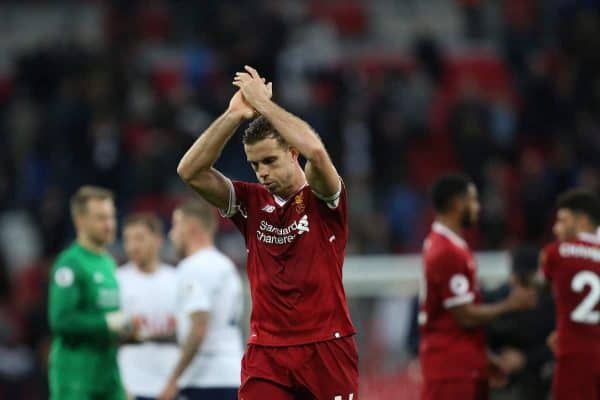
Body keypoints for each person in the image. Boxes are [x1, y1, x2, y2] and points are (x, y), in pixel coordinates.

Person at [176, 65, 358, 400]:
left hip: (326, 347)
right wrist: (234, 115)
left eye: (270, 161)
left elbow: (316, 152)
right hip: (267, 353)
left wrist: (265, 105)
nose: (262, 172)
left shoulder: (321, 196)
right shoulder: (250, 202)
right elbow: (190, 171)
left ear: (292, 153)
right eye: (255, 164)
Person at [418, 174, 536, 400]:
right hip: (451, 368)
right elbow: (464, 315)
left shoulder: (447, 244)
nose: (477, 207)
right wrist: (510, 304)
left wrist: (483, 356)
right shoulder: (446, 251)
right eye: (472, 201)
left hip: (462, 362)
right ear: (457, 204)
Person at [48, 186, 135, 400]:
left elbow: (110, 318)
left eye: (111, 217)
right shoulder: (70, 263)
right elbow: (61, 320)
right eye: (100, 218)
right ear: (79, 221)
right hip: (76, 378)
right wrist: (107, 323)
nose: (109, 225)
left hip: (108, 375)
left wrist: (126, 329)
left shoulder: (108, 263)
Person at [159, 200, 244, 400]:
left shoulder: (194, 267)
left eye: (175, 225)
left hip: (205, 380)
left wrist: (173, 379)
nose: (172, 234)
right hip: (232, 374)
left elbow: (199, 328)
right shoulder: (226, 266)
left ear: (191, 229)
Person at [540, 189, 600, 400]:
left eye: (563, 221)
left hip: (574, 355)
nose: (557, 229)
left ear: (582, 221)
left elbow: (541, 287)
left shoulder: (556, 252)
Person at [117, 213, 179, 400]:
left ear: (158, 240)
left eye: (139, 238)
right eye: (128, 239)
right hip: (130, 385)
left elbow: (188, 337)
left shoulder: (177, 280)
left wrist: (176, 383)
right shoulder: (117, 280)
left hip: (170, 386)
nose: (132, 246)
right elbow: (108, 341)